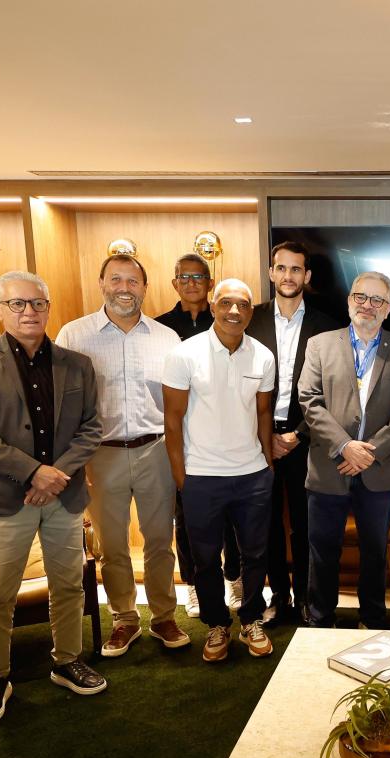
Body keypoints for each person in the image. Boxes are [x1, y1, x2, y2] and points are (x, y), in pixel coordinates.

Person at [0, 271, 105, 726]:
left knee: (68, 585)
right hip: (6, 497)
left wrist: (55, 476)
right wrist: (33, 473)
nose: (29, 312)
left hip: (64, 495)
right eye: (17, 304)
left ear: (48, 308)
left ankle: (67, 660)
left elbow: (91, 428)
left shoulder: (77, 364)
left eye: (38, 303)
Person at [57, 253, 189, 659]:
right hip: (100, 453)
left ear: (145, 287)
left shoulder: (167, 338)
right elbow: (61, 404)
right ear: (102, 284)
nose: (124, 289)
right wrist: (71, 462)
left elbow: (180, 404)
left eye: (133, 281)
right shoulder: (74, 336)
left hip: (155, 450)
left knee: (160, 541)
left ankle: (164, 616)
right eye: (116, 280)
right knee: (111, 545)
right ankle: (124, 619)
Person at [296, 271, 390, 628]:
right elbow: (309, 400)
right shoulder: (320, 344)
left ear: (388, 308)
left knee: (375, 551)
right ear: (349, 300)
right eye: (360, 297)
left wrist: (370, 451)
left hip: (378, 470)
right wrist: (345, 446)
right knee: (322, 551)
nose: (368, 305)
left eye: (377, 299)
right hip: (328, 466)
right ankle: (321, 621)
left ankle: (372, 620)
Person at [163, 278, 276, 662]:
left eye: (243, 305)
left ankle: (251, 619)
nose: (234, 311)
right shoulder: (184, 354)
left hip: (252, 475)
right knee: (206, 559)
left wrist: (267, 464)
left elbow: (263, 413)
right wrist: (182, 478)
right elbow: (172, 420)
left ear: (251, 312)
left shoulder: (263, 356)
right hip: (202, 476)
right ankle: (217, 624)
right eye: (226, 303)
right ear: (213, 307)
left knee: (255, 554)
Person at [249, 242, 337, 624]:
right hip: (258, 440)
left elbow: (331, 390)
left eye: (296, 269)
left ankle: (304, 596)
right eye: (281, 268)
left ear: (307, 276)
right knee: (266, 523)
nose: (288, 276)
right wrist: (265, 436)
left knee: (304, 524)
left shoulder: (327, 325)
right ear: (271, 272)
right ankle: (278, 597)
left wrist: (297, 434)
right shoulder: (249, 319)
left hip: (306, 440)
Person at [155, 252, 237, 618]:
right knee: (186, 517)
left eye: (198, 277)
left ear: (210, 283)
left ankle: (234, 578)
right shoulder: (160, 328)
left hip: (224, 433)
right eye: (184, 278)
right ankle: (192, 585)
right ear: (175, 283)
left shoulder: (225, 320)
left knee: (231, 515)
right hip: (181, 436)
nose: (191, 284)